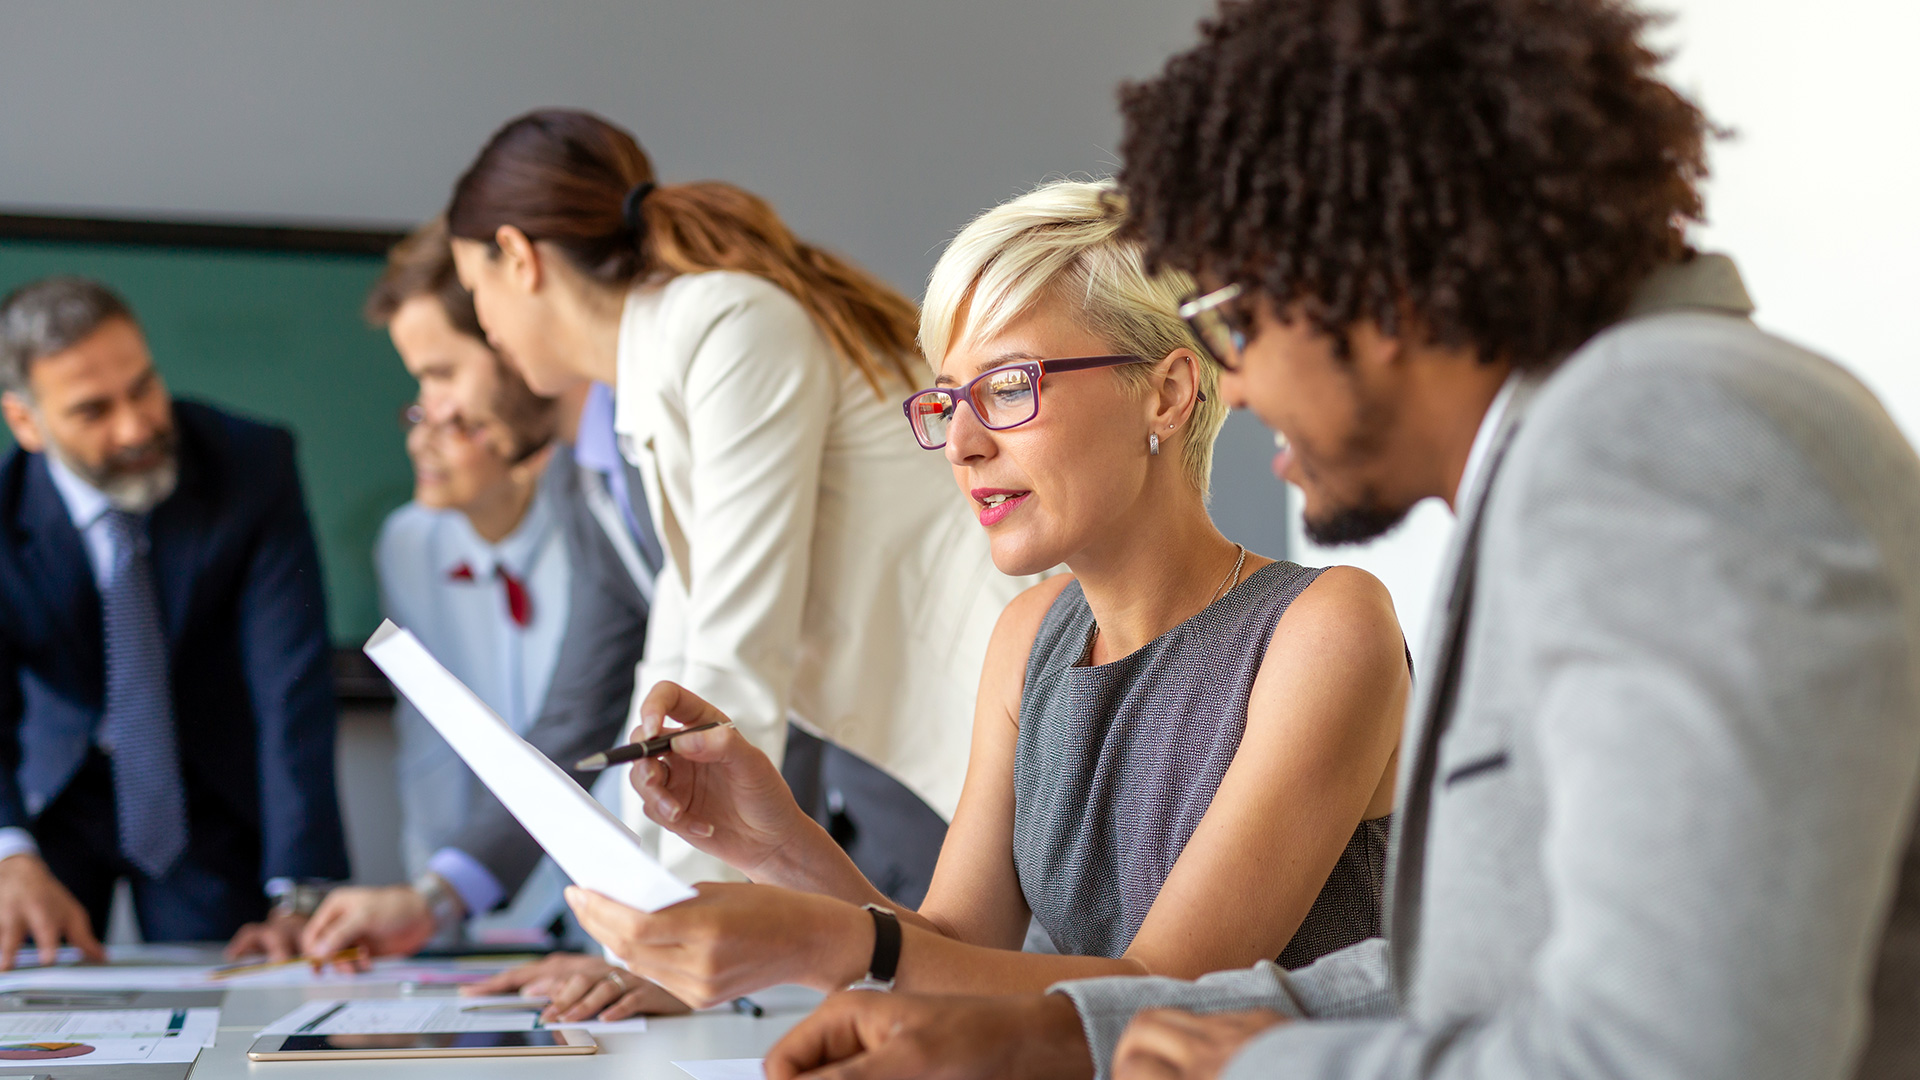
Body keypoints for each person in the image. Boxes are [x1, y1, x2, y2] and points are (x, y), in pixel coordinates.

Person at [760, 2, 1920, 1078]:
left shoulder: (1661, 443)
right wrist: (1055, 1041)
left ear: (1375, 264)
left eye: (1241, 316)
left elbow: (1689, 1053)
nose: (1241, 384)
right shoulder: (1593, 450)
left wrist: (1262, 1070)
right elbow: (1475, 976)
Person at [542, 179, 1408, 1019]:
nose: (961, 443)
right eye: (948, 399)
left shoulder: (1324, 628)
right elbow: (955, 950)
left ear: (1168, 392)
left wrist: (826, 945)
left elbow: (1163, 996)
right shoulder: (1029, 635)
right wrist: (777, 845)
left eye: (1007, 387)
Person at [439, 109, 1031, 1003]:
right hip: (981, 759)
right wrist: (636, 937)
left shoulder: (727, 324)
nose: (482, 327)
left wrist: (671, 956)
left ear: (518, 258)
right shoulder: (660, 371)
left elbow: (732, 667)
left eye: (471, 287)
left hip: (1033, 723)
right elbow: (672, 676)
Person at [225, 224, 656, 1000]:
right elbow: (560, 722)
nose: (429, 420)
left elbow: (716, 691)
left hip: (674, 874)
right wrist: (437, 896)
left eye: (440, 374)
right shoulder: (557, 488)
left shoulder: (614, 467)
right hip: (546, 890)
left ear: (509, 328)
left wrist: (665, 938)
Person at [0, 276, 348, 963]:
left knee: (245, 992)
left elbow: (290, 682)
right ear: (27, 423)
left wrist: (302, 894)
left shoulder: (253, 466)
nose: (135, 427)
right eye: (93, 410)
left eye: (142, 387)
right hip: (52, 794)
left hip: (201, 788)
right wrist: (9, 853)